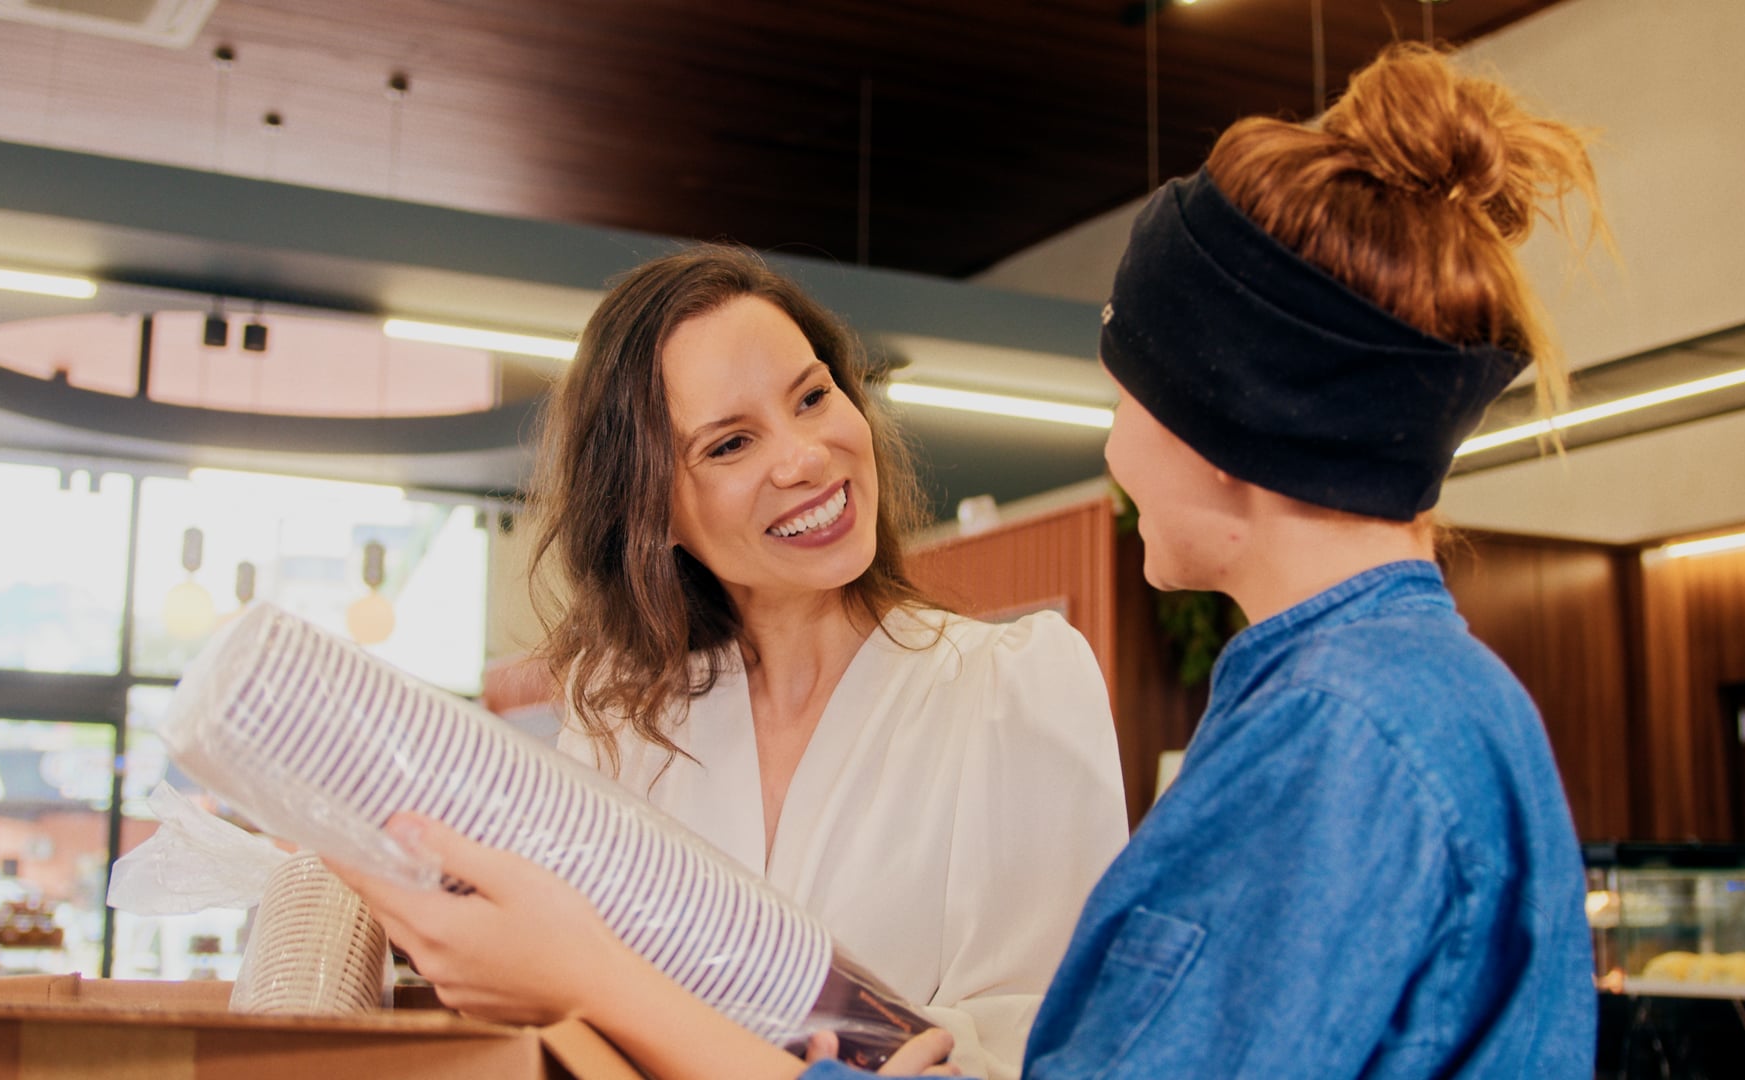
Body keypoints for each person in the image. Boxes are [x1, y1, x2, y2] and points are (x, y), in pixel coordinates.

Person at [341, 42, 1603, 1079]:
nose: (1114, 448)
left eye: (1131, 397)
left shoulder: (1341, 743)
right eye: (729, 441)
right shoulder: (1352, 710)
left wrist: (592, 975)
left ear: (1224, 431)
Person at [380, 244, 1126, 1077]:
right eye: (730, 444)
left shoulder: (1013, 687)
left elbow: (1044, 1047)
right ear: (651, 510)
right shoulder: (626, 726)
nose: (805, 457)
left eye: (812, 396)